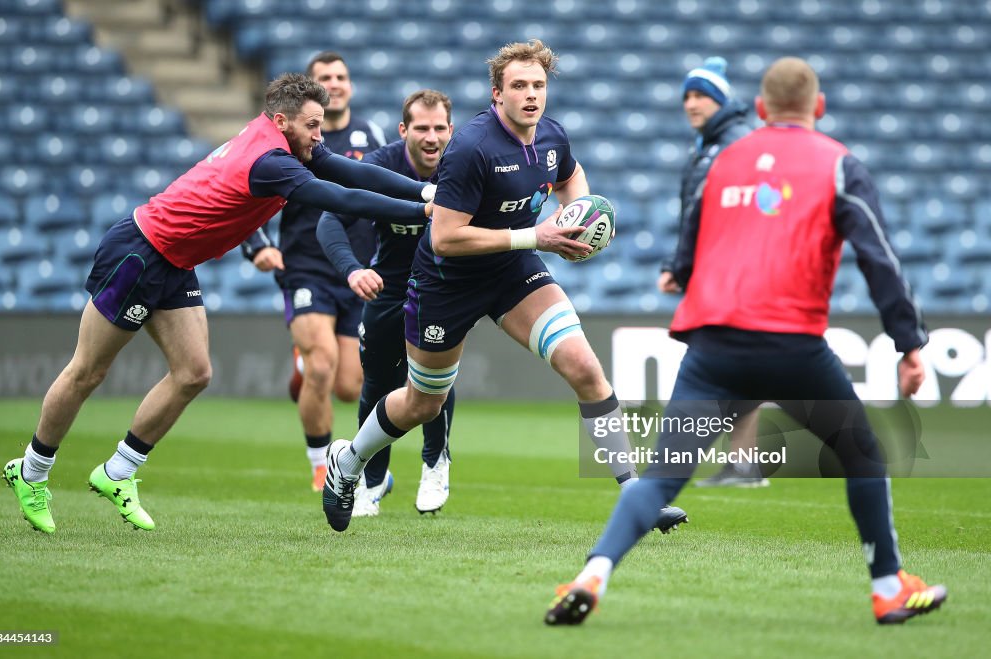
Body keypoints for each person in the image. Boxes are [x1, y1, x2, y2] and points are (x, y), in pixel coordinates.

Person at [545, 57, 946, 627]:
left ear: (759, 108)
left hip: (714, 349)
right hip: (793, 348)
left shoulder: (724, 160)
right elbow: (878, 258)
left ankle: (593, 574)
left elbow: (690, 240)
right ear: (819, 107)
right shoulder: (839, 165)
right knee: (861, 455)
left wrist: (680, 270)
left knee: (661, 476)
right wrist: (909, 343)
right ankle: (887, 588)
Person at [2, 72, 436, 534]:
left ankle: (118, 472)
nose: (319, 135)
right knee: (87, 371)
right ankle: (30, 472)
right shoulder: (271, 161)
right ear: (282, 120)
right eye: (312, 125)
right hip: (138, 253)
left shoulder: (283, 140)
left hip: (175, 260)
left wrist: (424, 189)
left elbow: (352, 170)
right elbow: (341, 196)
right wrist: (420, 211)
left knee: (193, 372)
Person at [318, 39, 688, 536]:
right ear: (497, 94)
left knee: (584, 367)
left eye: (538, 85)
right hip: (445, 283)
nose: (531, 95)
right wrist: (538, 235)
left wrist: (581, 215)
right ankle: (348, 462)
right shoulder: (471, 148)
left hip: (511, 270)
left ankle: (637, 497)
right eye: (519, 86)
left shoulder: (552, 137)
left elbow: (571, 176)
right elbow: (445, 238)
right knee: (423, 402)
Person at [242, 52, 387, 494]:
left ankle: (304, 365)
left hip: (355, 270)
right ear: (313, 88)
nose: (336, 83)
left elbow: (380, 188)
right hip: (304, 267)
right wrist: (258, 248)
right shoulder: (290, 138)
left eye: (342, 76)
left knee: (348, 386)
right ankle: (321, 464)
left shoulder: (370, 134)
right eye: (326, 77)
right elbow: (246, 190)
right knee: (322, 365)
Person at [318, 90, 456, 516]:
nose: (431, 137)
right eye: (422, 128)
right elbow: (330, 219)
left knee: (433, 380)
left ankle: (436, 463)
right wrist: (353, 270)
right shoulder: (379, 165)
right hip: (389, 289)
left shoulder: (466, 165)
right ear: (404, 130)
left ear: (450, 130)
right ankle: (370, 483)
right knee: (376, 383)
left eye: (439, 128)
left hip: (443, 290)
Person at [657, 56, 767, 488]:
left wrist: (680, 267)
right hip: (719, 270)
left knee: (730, 362)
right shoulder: (708, 144)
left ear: (721, 100)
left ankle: (739, 464)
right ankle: (744, 465)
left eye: (701, 95)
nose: (691, 103)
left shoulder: (734, 143)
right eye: (686, 95)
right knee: (739, 362)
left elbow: (727, 215)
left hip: (736, 272)